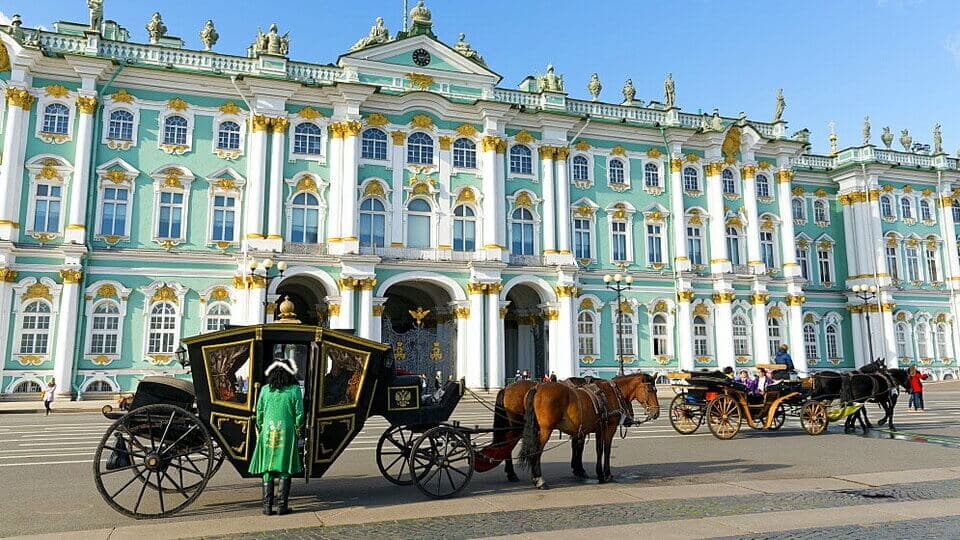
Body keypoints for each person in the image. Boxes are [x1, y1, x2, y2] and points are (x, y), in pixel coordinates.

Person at [248, 356, 304, 516]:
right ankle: (282, 506)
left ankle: (267, 507)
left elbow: (258, 412)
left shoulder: (265, 390)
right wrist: (298, 428)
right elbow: (300, 414)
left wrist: (260, 426)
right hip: (286, 432)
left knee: (268, 468)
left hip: (267, 431)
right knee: (285, 467)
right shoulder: (294, 390)